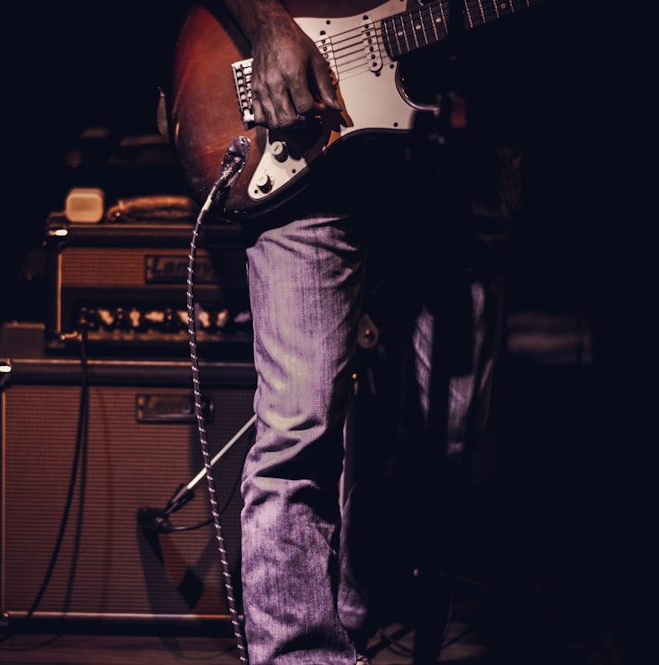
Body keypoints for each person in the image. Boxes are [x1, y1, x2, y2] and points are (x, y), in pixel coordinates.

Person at [168, 1, 527, 663]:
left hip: (463, 142)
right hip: (308, 143)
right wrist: (271, 29)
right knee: (297, 425)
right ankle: (300, 653)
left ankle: (356, 606)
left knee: (446, 432)